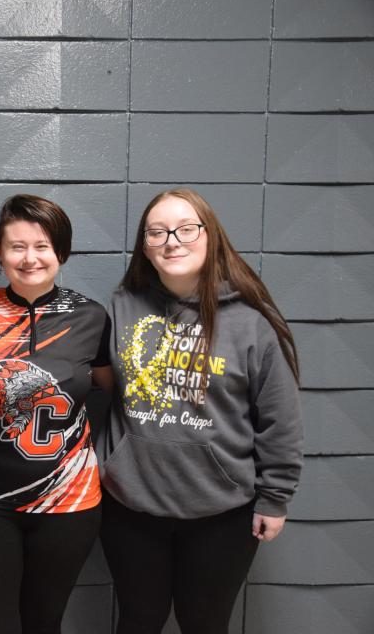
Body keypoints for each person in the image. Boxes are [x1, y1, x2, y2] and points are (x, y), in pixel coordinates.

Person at [99, 187, 302, 634]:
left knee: (205, 624)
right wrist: (103, 462)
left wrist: (275, 497)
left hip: (221, 515)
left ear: (210, 237)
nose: (172, 240)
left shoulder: (252, 322)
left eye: (185, 228)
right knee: (137, 620)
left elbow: (279, 419)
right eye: (157, 232)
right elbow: (96, 394)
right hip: (130, 507)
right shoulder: (122, 309)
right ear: (145, 248)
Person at [0, 194, 110, 633]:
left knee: (44, 623)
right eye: (16, 246)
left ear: (61, 251)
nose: (29, 258)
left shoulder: (91, 317)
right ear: (0, 252)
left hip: (69, 502)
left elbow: (114, 391)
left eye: (42, 245)